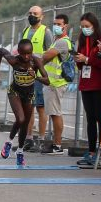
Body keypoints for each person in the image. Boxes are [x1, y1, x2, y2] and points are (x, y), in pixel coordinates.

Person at [0, 39, 51, 167]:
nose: (26, 57)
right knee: (20, 119)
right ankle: (8, 143)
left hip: (29, 95)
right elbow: (1, 51)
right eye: (23, 53)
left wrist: (35, 77)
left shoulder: (35, 61)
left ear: (31, 52)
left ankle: (20, 152)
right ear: (18, 52)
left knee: (25, 125)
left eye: (28, 53)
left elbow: (47, 81)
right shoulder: (14, 60)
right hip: (15, 92)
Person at [73, 13, 101, 167]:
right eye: (82, 27)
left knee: (100, 118)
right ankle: (91, 151)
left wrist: (87, 59)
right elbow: (81, 66)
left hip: (100, 84)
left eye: (87, 27)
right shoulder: (82, 41)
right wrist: (79, 60)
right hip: (86, 84)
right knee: (90, 119)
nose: (84, 29)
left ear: (94, 26)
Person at [38, 13, 74, 154]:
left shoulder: (62, 42)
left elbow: (45, 57)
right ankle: (55, 143)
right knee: (53, 113)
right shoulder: (56, 40)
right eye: (54, 24)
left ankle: (57, 145)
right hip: (51, 83)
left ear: (66, 26)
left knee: (56, 113)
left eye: (59, 24)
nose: (56, 26)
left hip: (55, 83)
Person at [21, 6, 53, 151]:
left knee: (40, 107)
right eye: (30, 13)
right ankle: (28, 139)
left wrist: (38, 67)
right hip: (26, 76)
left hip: (39, 75)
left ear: (42, 16)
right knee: (28, 107)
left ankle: (41, 139)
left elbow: (51, 53)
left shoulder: (46, 32)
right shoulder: (26, 31)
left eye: (35, 13)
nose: (32, 15)